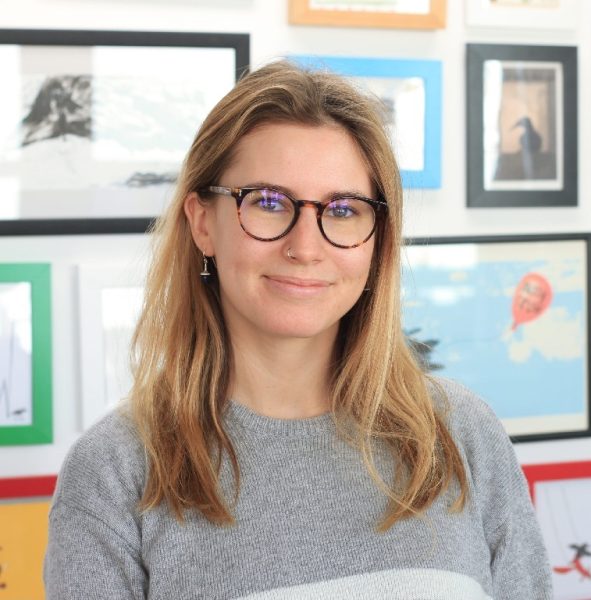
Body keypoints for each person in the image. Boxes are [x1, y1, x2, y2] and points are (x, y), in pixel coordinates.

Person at [44, 60, 552, 599]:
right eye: (267, 202)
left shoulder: (462, 434)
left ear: (378, 237)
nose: (306, 247)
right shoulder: (115, 472)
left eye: (344, 210)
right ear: (202, 223)